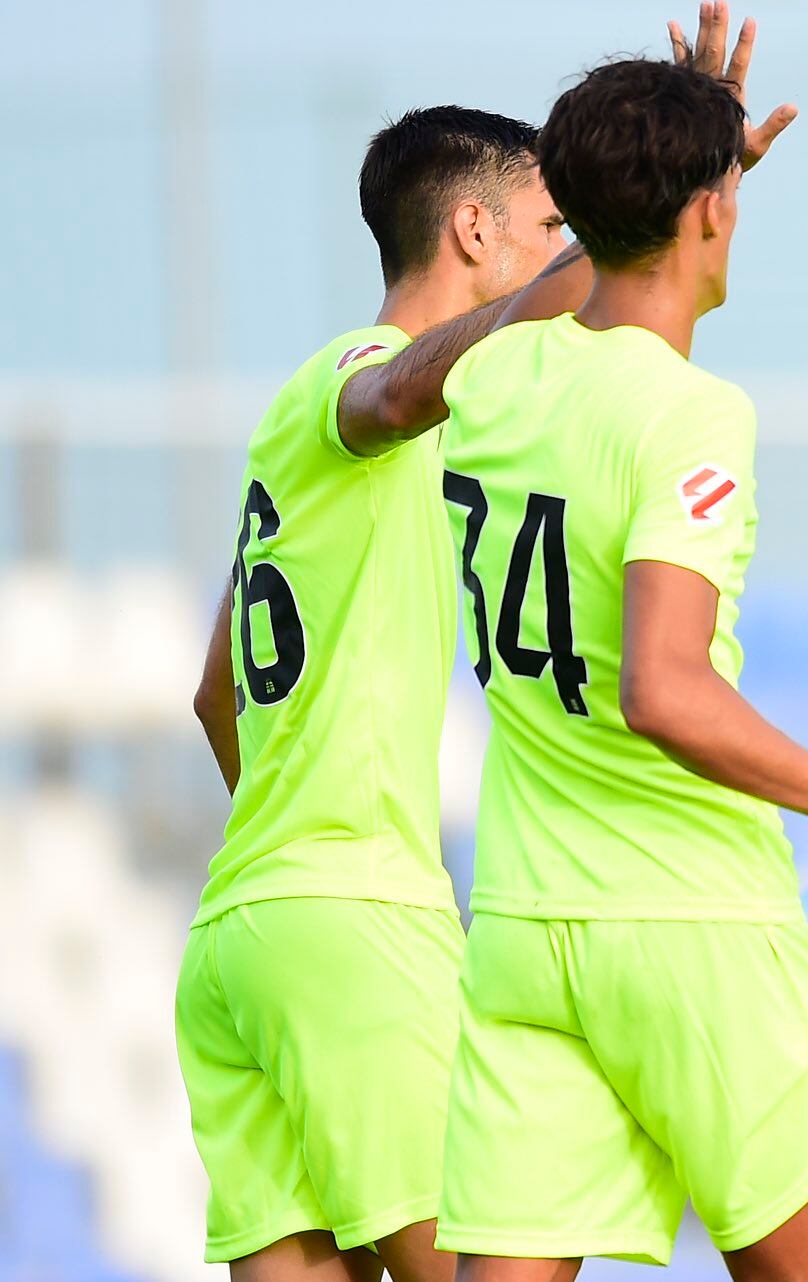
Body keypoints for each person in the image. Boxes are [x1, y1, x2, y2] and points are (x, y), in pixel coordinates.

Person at [425, 22, 808, 1282]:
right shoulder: (693, 412)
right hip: (691, 927)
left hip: (524, 923)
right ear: (713, 213)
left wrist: (691, 159)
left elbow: (575, 293)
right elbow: (664, 690)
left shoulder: (493, 382)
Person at [180, 103, 567, 1282]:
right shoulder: (355, 386)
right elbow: (397, 396)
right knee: (492, 1260)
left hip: (241, 933)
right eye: (553, 223)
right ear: (470, 232)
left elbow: (214, 699)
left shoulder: (287, 436)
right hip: (354, 920)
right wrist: (635, 230)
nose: (567, 247)